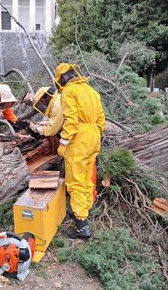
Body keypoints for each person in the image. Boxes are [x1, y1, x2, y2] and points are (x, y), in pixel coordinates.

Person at [55, 63, 105, 239]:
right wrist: (95, 134)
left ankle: (81, 225)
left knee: (75, 181)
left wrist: (63, 143)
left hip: (79, 138)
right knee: (86, 179)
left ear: (61, 78)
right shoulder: (92, 91)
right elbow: (101, 120)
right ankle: (83, 211)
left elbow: (71, 120)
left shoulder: (69, 91)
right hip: (93, 137)